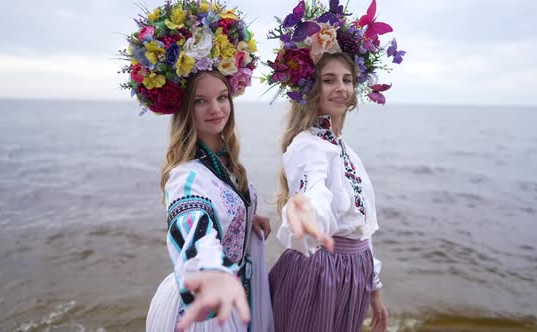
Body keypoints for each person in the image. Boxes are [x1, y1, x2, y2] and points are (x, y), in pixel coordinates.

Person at [119, 1, 274, 331]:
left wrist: (245, 217)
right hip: (209, 310)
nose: (216, 109)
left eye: (221, 97)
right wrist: (211, 272)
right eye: (200, 101)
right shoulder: (185, 176)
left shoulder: (224, 161)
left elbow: (219, 205)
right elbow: (193, 227)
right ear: (184, 109)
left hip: (237, 295)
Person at [263, 0, 405, 331]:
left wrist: (375, 288)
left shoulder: (348, 152)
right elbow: (314, 191)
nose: (340, 87)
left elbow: (362, 229)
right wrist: (305, 212)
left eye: (347, 79)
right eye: (328, 80)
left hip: (352, 277)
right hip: (319, 275)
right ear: (312, 88)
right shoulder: (308, 146)